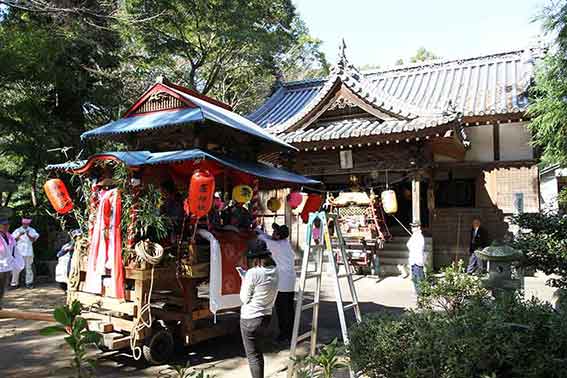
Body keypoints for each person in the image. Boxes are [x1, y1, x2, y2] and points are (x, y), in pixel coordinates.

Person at [239, 239, 279, 378]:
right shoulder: (275, 270)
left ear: (255, 258)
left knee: (253, 356)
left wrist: (244, 279)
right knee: (258, 354)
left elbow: (244, 298)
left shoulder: (253, 273)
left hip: (250, 318)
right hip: (266, 317)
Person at [257, 223, 296, 343]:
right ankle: (290, 333)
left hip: (283, 281)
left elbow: (263, 239)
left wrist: (255, 230)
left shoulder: (276, 246)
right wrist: (259, 229)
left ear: (278, 236)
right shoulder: (284, 243)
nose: (272, 233)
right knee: (289, 308)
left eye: (275, 232)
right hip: (289, 280)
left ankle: (285, 335)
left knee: (282, 309)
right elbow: (268, 236)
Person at [11, 218, 39, 288]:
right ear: (22, 223)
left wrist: (28, 234)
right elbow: (13, 240)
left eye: (27, 224)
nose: (25, 225)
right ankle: (15, 283)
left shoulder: (32, 230)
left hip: (28, 252)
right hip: (19, 252)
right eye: (24, 224)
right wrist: (20, 234)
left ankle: (29, 283)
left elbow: (33, 240)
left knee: (28, 268)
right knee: (17, 267)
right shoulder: (17, 230)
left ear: (29, 224)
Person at [0, 218, 18, 309]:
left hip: (7, 266)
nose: (6, 226)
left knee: (3, 287)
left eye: (7, 225)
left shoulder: (9, 236)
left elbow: (13, 250)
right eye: (4, 225)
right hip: (0, 264)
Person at [407, 222, 425, 296]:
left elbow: (416, 247)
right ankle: (417, 292)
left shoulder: (419, 237)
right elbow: (408, 245)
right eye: (412, 227)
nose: (412, 228)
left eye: (414, 227)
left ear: (418, 228)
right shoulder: (414, 236)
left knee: (419, 277)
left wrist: (413, 240)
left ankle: (421, 293)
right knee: (414, 277)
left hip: (417, 260)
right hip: (413, 260)